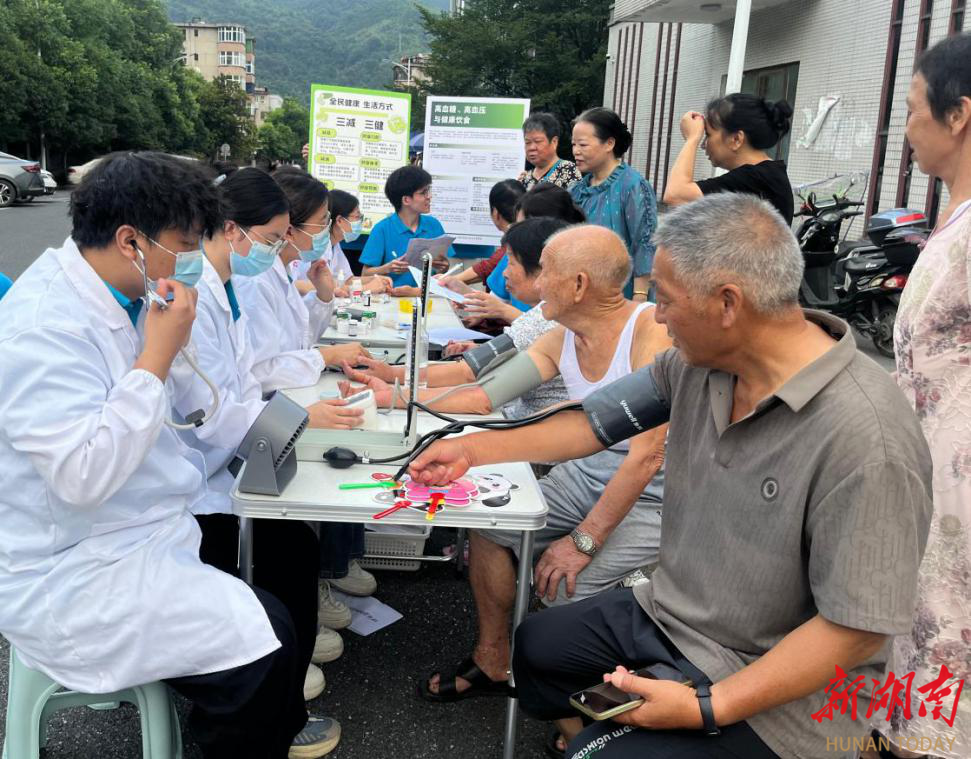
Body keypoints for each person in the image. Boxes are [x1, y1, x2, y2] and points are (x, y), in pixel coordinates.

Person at [409, 193, 933, 759]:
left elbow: (857, 630)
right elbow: (592, 424)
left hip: (782, 688)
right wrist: (472, 451)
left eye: (666, 299)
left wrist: (709, 706)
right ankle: (588, 740)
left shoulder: (867, 435)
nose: (656, 315)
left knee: (606, 751)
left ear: (727, 303)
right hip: (676, 615)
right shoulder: (698, 365)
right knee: (538, 646)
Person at [0, 151, 338, 757]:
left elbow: (201, 400)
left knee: (275, 619)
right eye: (183, 245)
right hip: (73, 568)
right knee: (264, 646)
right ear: (130, 240)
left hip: (139, 528)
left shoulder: (128, 295)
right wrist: (156, 356)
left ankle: (266, 727)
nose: (192, 261)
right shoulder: (45, 328)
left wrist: (167, 353)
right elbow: (81, 476)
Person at [350, 227, 670, 707]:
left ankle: (595, 706)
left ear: (579, 285)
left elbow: (647, 456)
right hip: (585, 472)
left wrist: (583, 541)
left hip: (656, 497)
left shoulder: (650, 333)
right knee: (490, 525)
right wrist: (393, 396)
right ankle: (493, 659)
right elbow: (484, 394)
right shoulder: (562, 336)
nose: (536, 285)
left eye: (546, 273)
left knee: (565, 587)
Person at [167, 167, 364, 715]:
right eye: (274, 238)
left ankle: (284, 668)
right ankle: (279, 687)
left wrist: (295, 411)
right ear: (232, 229)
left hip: (229, 449)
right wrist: (299, 415)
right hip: (203, 474)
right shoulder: (203, 295)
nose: (280, 250)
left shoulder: (227, 285)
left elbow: (245, 381)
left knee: (297, 540)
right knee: (292, 545)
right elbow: (213, 409)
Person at [888, 33, 971, 758]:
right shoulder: (954, 220)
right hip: (927, 492)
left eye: (914, 108)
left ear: (958, 114)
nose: (907, 127)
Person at [343, 217, 571, 420]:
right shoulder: (551, 315)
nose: (504, 272)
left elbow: (473, 384)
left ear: (542, 268)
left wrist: (389, 388)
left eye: (511, 262)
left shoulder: (543, 320)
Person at [233, 168, 369, 395]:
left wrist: (323, 295)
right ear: (289, 230)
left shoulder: (281, 271)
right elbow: (259, 373)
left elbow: (300, 340)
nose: (326, 231)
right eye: (322, 223)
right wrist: (326, 356)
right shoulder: (255, 281)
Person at [463, 184, 587, 324]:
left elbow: (551, 330)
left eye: (522, 225)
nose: (505, 273)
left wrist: (504, 311)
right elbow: (495, 300)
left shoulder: (569, 279)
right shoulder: (514, 255)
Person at [569, 107, 657, 302]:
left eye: (583, 144)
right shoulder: (576, 191)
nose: (576, 151)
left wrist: (639, 298)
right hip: (583, 296)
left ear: (609, 143)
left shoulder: (633, 186)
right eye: (573, 144)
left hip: (622, 299)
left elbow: (644, 244)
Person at [664, 93, 795, 223]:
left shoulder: (755, 179)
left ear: (736, 139)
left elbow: (675, 195)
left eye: (708, 135)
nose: (703, 145)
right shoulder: (765, 175)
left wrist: (692, 139)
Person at [359, 165, 454, 287]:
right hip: (392, 295)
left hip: (428, 295)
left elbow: (443, 269)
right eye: (423, 193)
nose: (429, 197)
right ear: (406, 200)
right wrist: (387, 268)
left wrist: (444, 267)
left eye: (428, 191)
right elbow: (365, 274)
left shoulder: (434, 225)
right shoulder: (382, 229)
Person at [439, 179, 526, 290]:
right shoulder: (528, 235)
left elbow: (488, 267)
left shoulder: (514, 243)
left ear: (495, 212)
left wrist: (446, 281)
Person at [517, 112, 582, 191]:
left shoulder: (569, 170)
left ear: (554, 142)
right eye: (527, 142)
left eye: (537, 141)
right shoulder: (525, 178)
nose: (531, 148)